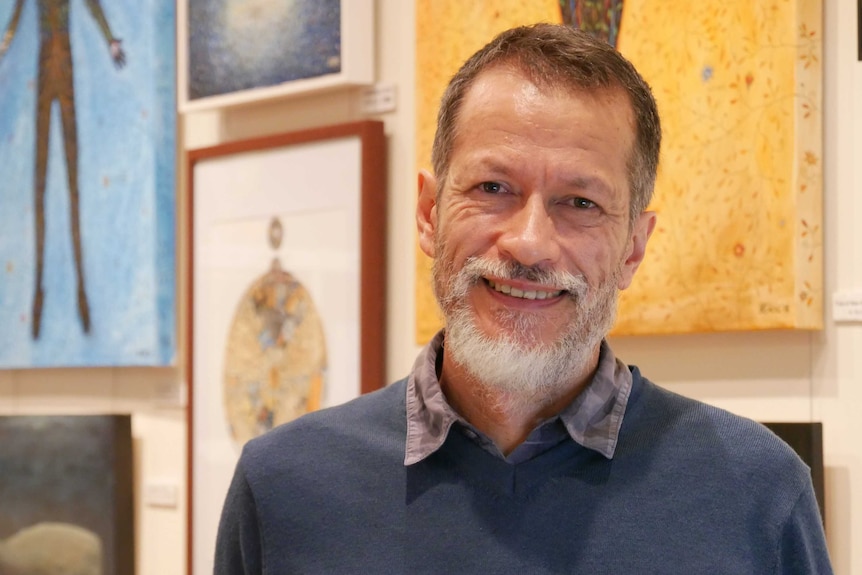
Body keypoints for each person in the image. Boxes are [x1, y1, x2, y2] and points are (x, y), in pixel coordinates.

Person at [214, 23, 833, 573]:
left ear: (632, 248)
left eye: (581, 203)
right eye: (493, 187)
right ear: (430, 213)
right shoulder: (283, 489)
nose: (531, 242)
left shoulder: (758, 494)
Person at [0, 0, 126, 339]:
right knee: (39, 182)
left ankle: (81, 292)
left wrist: (111, 40)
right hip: (48, 63)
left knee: (72, 186)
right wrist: (4, 45)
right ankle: (38, 291)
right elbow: (14, 18)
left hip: (62, 63)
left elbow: (92, 6)